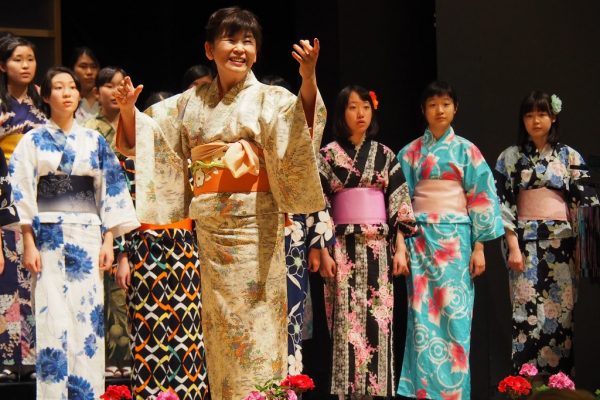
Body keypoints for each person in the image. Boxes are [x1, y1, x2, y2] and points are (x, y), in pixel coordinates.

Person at [114, 6, 326, 399]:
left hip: (255, 230)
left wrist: (308, 79)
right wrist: (128, 110)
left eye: (248, 41)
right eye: (231, 39)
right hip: (211, 237)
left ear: (257, 52)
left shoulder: (270, 98)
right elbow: (146, 137)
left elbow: (302, 126)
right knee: (218, 333)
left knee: (258, 329)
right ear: (209, 49)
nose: (240, 49)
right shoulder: (190, 103)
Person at [9, 66, 138, 399]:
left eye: (72, 87)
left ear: (79, 94)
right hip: (48, 237)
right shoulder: (32, 140)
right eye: (58, 87)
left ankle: (88, 394)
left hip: (88, 236)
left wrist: (110, 239)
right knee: (51, 318)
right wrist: (28, 241)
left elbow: (111, 190)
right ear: (46, 95)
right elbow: (21, 190)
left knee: (88, 323)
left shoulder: (93, 141)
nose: (66, 92)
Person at [89, 70, 210, 398]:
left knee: (189, 331)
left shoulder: (186, 160)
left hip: (184, 247)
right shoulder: (128, 162)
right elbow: (121, 206)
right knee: (148, 329)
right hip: (145, 248)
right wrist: (124, 255)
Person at [396, 81, 504, 399]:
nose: (439, 110)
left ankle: (455, 392)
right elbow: (401, 201)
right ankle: (423, 392)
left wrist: (480, 247)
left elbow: (481, 198)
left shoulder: (467, 151)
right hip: (420, 241)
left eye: (445, 103)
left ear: (455, 108)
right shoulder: (410, 152)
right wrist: (401, 243)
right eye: (432, 104)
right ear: (423, 110)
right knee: (422, 318)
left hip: (457, 241)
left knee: (456, 318)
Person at [309, 85, 416, 399]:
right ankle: (346, 392)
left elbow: (399, 204)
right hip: (342, 247)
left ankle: (379, 391)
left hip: (379, 248)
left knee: (378, 322)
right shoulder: (327, 155)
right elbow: (318, 204)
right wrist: (323, 248)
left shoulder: (385, 155)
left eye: (366, 108)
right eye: (353, 107)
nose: (360, 114)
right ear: (342, 113)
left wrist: (400, 248)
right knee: (344, 321)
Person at [494, 91, 599, 376]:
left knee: (560, 317)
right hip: (524, 246)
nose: (535, 120)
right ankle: (523, 385)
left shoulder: (569, 156)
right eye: (529, 115)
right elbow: (502, 203)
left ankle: (559, 387)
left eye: (541, 114)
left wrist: (581, 252)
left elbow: (586, 202)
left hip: (562, 246)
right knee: (525, 315)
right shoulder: (509, 158)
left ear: (553, 117)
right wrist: (512, 245)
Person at [261, 74, 333, 375]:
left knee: (291, 313)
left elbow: (315, 195)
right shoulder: (249, 140)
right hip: (255, 233)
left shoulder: (300, 148)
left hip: (293, 236)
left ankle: (291, 387)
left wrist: (319, 245)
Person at [0, 34, 46, 380]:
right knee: (5, 281)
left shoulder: (41, 106)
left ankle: (29, 358)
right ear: (3, 66)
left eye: (30, 58)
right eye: (18, 59)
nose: (26, 65)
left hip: (36, 199)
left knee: (32, 280)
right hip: (3, 198)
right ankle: (5, 358)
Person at [85, 66, 132, 378]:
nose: (115, 91)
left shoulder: (134, 125)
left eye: (120, 85)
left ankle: (132, 358)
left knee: (129, 286)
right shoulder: (90, 129)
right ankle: (108, 360)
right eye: (108, 86)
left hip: (136, 211)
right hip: (100, 212)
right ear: (95, 92)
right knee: (106, 287)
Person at [70, 47, 100, 124]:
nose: (89, 72)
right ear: (72, 69)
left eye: (93, 67)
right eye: (83, 66)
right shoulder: (67, 98)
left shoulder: (106, 99)